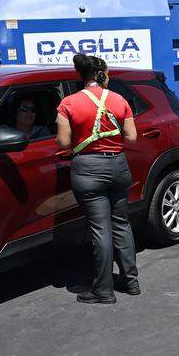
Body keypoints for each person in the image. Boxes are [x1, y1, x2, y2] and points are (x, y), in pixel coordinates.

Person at [56, 54, 140, 304]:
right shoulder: (119, 99)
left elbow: (62, 142)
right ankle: (131, 281)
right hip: (118, 166)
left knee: (100, 230)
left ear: (80, 75)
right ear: (102, 74)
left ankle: (103, 290)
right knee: (122, 224)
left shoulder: (68, 103)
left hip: (88, 169)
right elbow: (132, 137)